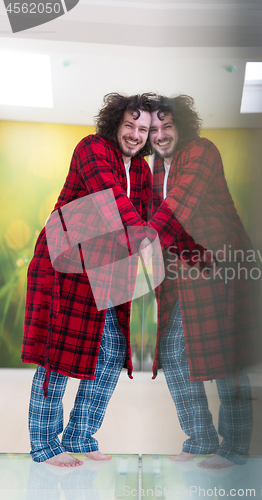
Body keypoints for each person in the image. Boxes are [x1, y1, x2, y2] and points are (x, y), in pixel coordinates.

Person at [21, 93, 154, 467]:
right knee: (58, 355)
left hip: (109, 266)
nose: (135, 134)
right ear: (115, 123)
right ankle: (45, 444)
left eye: (142, 129)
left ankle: (80, 434)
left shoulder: (142, 171)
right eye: (129, 125)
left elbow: (147, 214)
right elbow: (107, 195)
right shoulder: (92, 147)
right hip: (68, 261)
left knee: (111, 351)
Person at [146, 95, 259, 469]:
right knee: (174, 352)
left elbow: (179, 204)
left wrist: (140, 243)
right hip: (182, 271)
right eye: (154, 129)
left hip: (219, 266)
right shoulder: (155, 167)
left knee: (227, 358)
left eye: (167, 127)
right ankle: (200, 438)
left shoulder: (201, 151)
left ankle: (236, 447)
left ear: (182, 126)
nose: (160, 135)